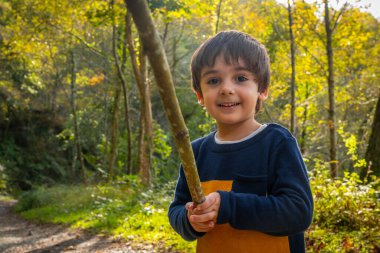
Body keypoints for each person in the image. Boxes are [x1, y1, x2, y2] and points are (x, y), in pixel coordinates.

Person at [168, 30, 313, 253]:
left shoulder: (277, 143)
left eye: (241, 78)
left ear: (262, 90)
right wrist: (189, 220)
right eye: (214, 80)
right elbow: (177, 208)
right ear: (200, 95)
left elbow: (298, 211)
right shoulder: (195, 152)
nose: (226, 88)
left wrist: (229, 206)